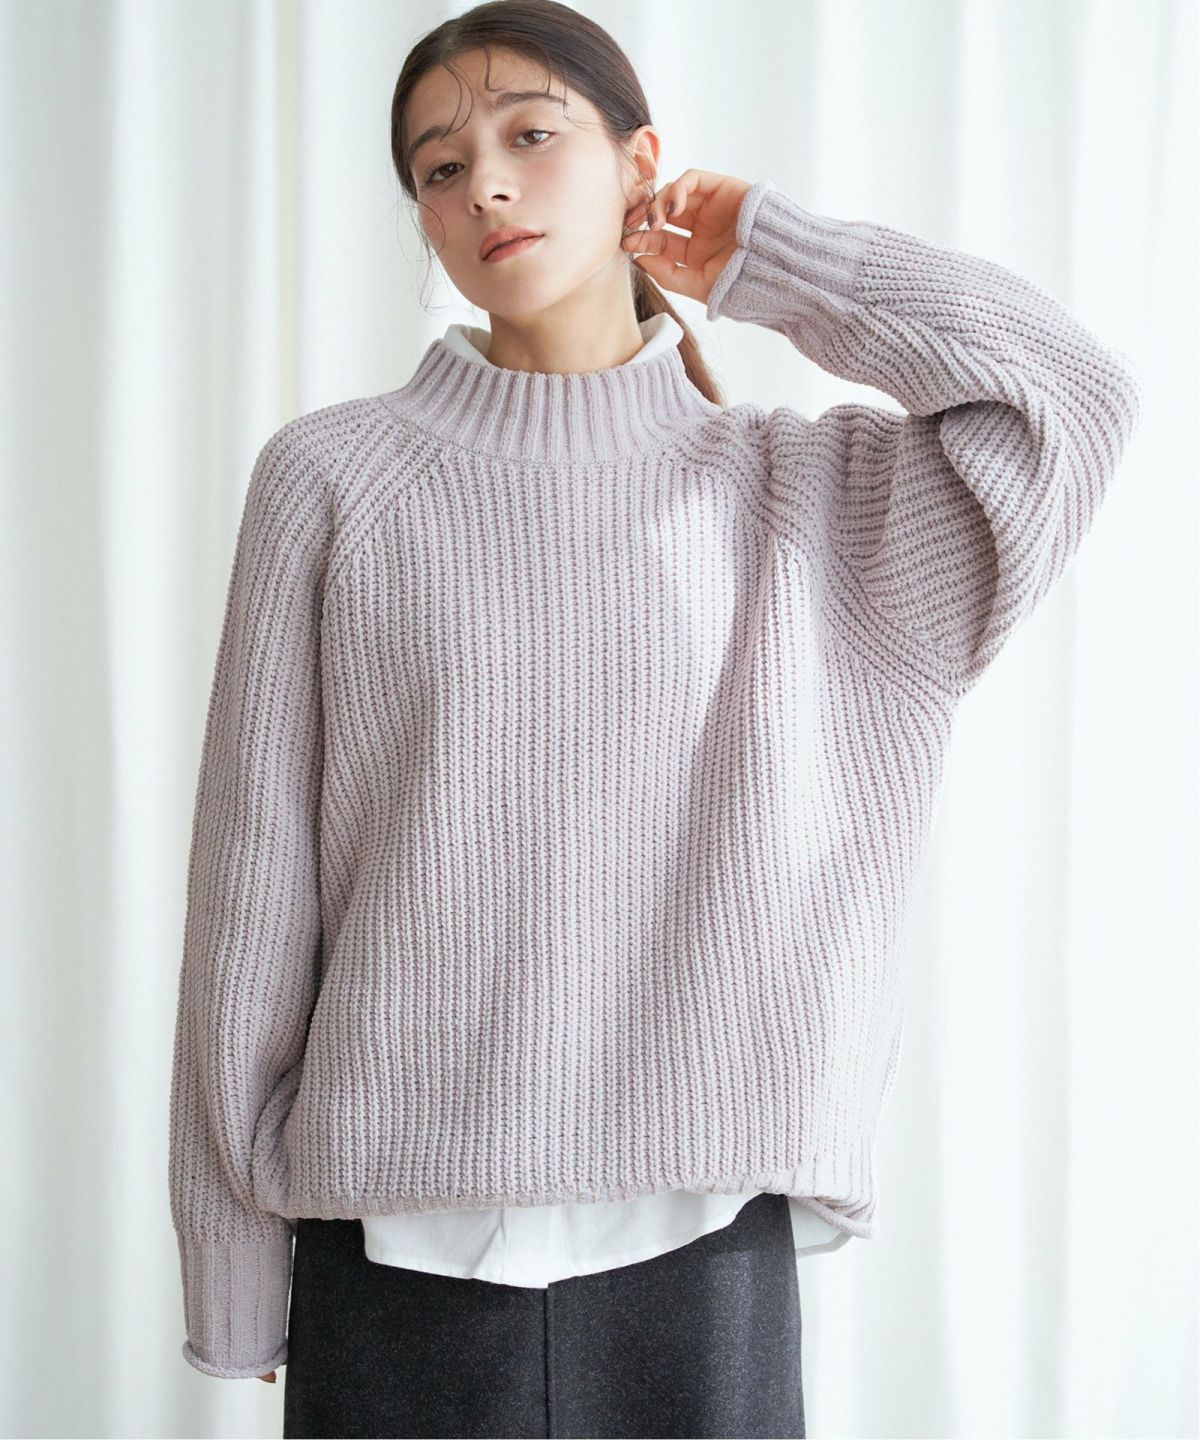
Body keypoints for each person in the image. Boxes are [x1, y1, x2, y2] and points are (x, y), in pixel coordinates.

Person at [167, 1, 1142, 1435]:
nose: (486, 186)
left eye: (532, 134)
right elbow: (251, 903)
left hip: (701, 1260)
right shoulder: (332, 480)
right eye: (440, 167)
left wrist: (769, 254)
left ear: (641, 161)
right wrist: (234, 1274)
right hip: (393, 1264)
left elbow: (1068, 398)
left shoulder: (815, 502)